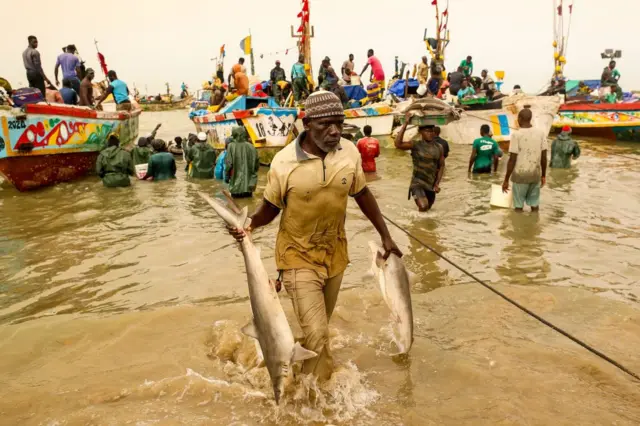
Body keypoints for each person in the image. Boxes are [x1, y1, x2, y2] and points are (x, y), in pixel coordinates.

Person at [227, 91, 402, 381]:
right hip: (297, 255)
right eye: (325, 125)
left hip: (335, 253)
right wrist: (249, 226)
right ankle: (311, 398)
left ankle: (294, 367)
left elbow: (362, 193)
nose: (335, 131)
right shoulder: (283, 163)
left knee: (318, 328)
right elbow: (270, 208)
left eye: (339, 123)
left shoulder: (349, 152)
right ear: (307, 123)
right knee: (318, 332)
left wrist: (385, 235)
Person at [395, 113, 445, 212]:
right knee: (423, 206)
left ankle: (419, 227)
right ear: (420, 132)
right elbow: (398, 144)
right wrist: (405, 123)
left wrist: (437, 184)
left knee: (427, 211)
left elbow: (442, 165)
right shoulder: (416, 145)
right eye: (427, 131)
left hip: (430, 185)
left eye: (432, 131)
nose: (430, 133)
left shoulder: (439, 147)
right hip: (417, 183)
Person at [502, 109, 548, 212]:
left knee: (518, 207)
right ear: (530, 119)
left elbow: (512, 159)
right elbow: (544, 157)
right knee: (535, 206)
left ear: (520, 119)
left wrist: (506, 180)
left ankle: (518, 227)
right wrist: (543, 175)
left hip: (520, 176)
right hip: (535, 175)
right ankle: (534, 225)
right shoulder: (541, 133)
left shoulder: (516, 135)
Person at [225, 127, 259, 198]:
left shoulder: (231, 146)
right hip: (249, 186)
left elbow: (228, 164)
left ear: (234, 134)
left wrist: (227, 177)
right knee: (249, 205)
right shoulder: (252, 147)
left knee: (236, 205)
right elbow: (256, 166)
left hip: (235, 187)